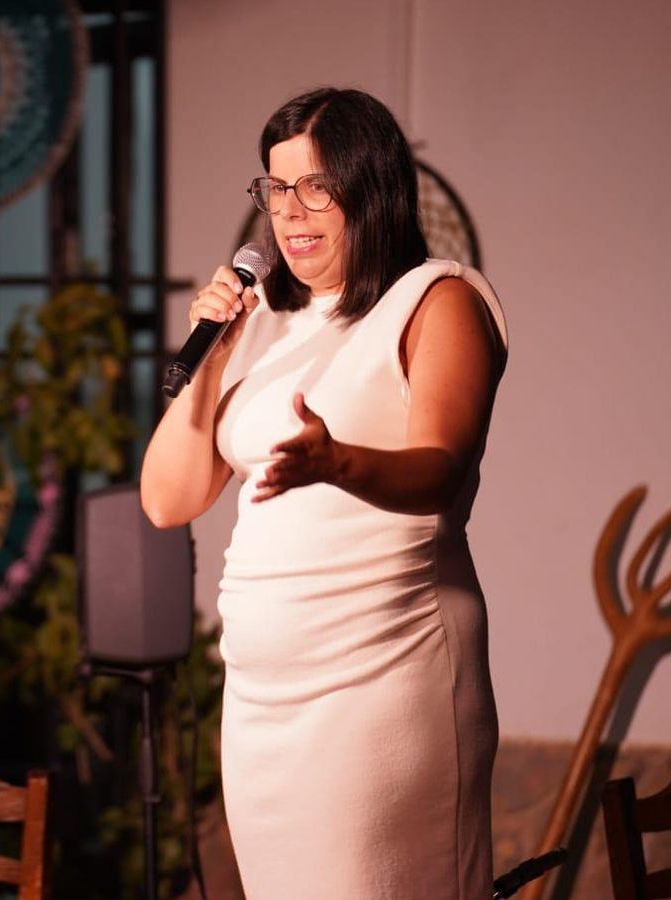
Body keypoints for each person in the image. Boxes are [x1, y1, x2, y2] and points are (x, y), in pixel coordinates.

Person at [140, 88, 508, 898]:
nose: (290, 211)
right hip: (263, 697)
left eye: (316, 186)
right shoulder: (267, 319)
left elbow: (443, 467)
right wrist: (213, 360)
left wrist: (338, 462)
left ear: (369, 186)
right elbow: (168, 499)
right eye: (275, 188)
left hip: (383, 682)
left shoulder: (438, 300)